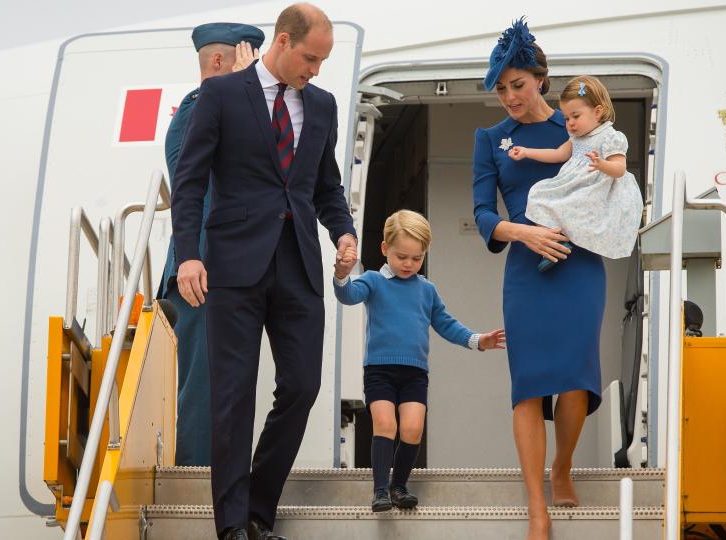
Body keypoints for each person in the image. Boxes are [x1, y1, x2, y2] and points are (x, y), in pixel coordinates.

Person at [169, 4, 357, 540]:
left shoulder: (321, 105)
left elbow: (325, 187)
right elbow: (190, 181)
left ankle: (256, 504)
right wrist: (189, 254)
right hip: (232, 265)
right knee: (232, 395)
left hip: (297, 264)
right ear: (282, 41)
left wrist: (342, 232)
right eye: (310, 58)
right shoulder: (222, 95)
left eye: (323, 61)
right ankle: (233, 526)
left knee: (302, 384)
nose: (316, 70)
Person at [472, 18, 605, 540]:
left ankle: (563, 465)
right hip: (526, 269)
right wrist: (523, 234)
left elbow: (608, 187)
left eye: (518, 85)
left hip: (579, 264)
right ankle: (536, 507)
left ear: (541, 81)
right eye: (501, 88)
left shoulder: (575, 127)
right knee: (527, 386)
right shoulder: (491, 139)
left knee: (575, 378)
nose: (509, 97)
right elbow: (483, 212)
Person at [332, 210, 506, 512]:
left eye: (417, 258)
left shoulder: (426, 290)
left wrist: (478, 340)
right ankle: (381, 491)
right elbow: (348, 295)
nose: (409, 265)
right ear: (385, 249)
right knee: (385, 424)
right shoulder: (374, 280)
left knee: (412, 429)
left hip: (414, 374)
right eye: (402, 257)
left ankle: (400, 486)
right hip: (380, 371)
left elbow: (446, 324)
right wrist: (341, 274)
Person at [157, 22, 264, 468]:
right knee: (203, 384)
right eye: (250, 64)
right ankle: (199, 485)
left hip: (225, 270)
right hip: (201, 270)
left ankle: (219, 482)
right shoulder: (199, 108)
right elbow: (193, 186)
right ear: (219, 62)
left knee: (224, 384)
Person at [508, 74, 643, 268]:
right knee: (538, 193)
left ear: (597, 112)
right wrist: (527, 152)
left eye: (576, 116)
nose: (570, 123)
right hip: (574, 184)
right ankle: (556, 240)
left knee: (578, 207)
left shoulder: (611, 137)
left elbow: (620, 169)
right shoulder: (576, 139)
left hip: (595, 188)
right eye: (566, 118)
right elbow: (558, 154)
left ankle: (567, 239)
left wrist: (601, 164)